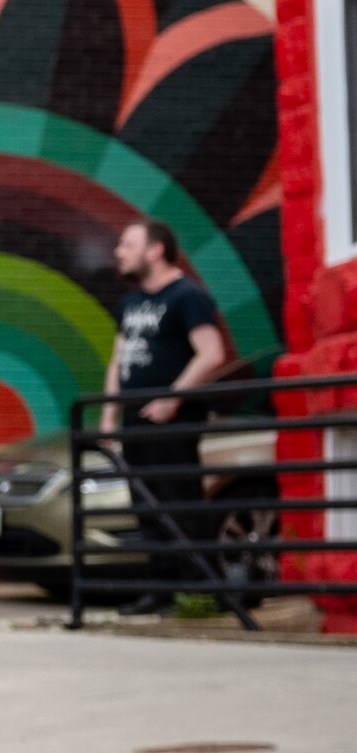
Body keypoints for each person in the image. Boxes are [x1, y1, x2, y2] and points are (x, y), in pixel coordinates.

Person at [103, 215, 231, 610]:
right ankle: (158, 591)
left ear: (154, 250)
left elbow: (212, 353)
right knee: (147, 506)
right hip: (135, 419)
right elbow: (117, 359)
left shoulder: (186, 296)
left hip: (173, 420)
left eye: (127, 244)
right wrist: (109, 416)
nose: (118, 252)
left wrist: (174, 398)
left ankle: (202, 593)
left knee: (180, 501)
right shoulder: (131, 301)